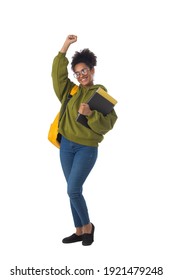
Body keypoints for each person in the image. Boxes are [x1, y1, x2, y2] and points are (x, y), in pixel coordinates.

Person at [51, 35, 118, 246]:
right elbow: (57, 76)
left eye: (85, 71)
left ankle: (88, 227)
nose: (81, 75)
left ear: (92, 70)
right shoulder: (70, 91)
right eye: (77, 73)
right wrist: (64, 47)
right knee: (73, 191)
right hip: (66, 147)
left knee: (72, 190)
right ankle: (79, 230)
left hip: (86, 148)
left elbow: (108, 123)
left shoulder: (100, 93)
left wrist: (90, 114)